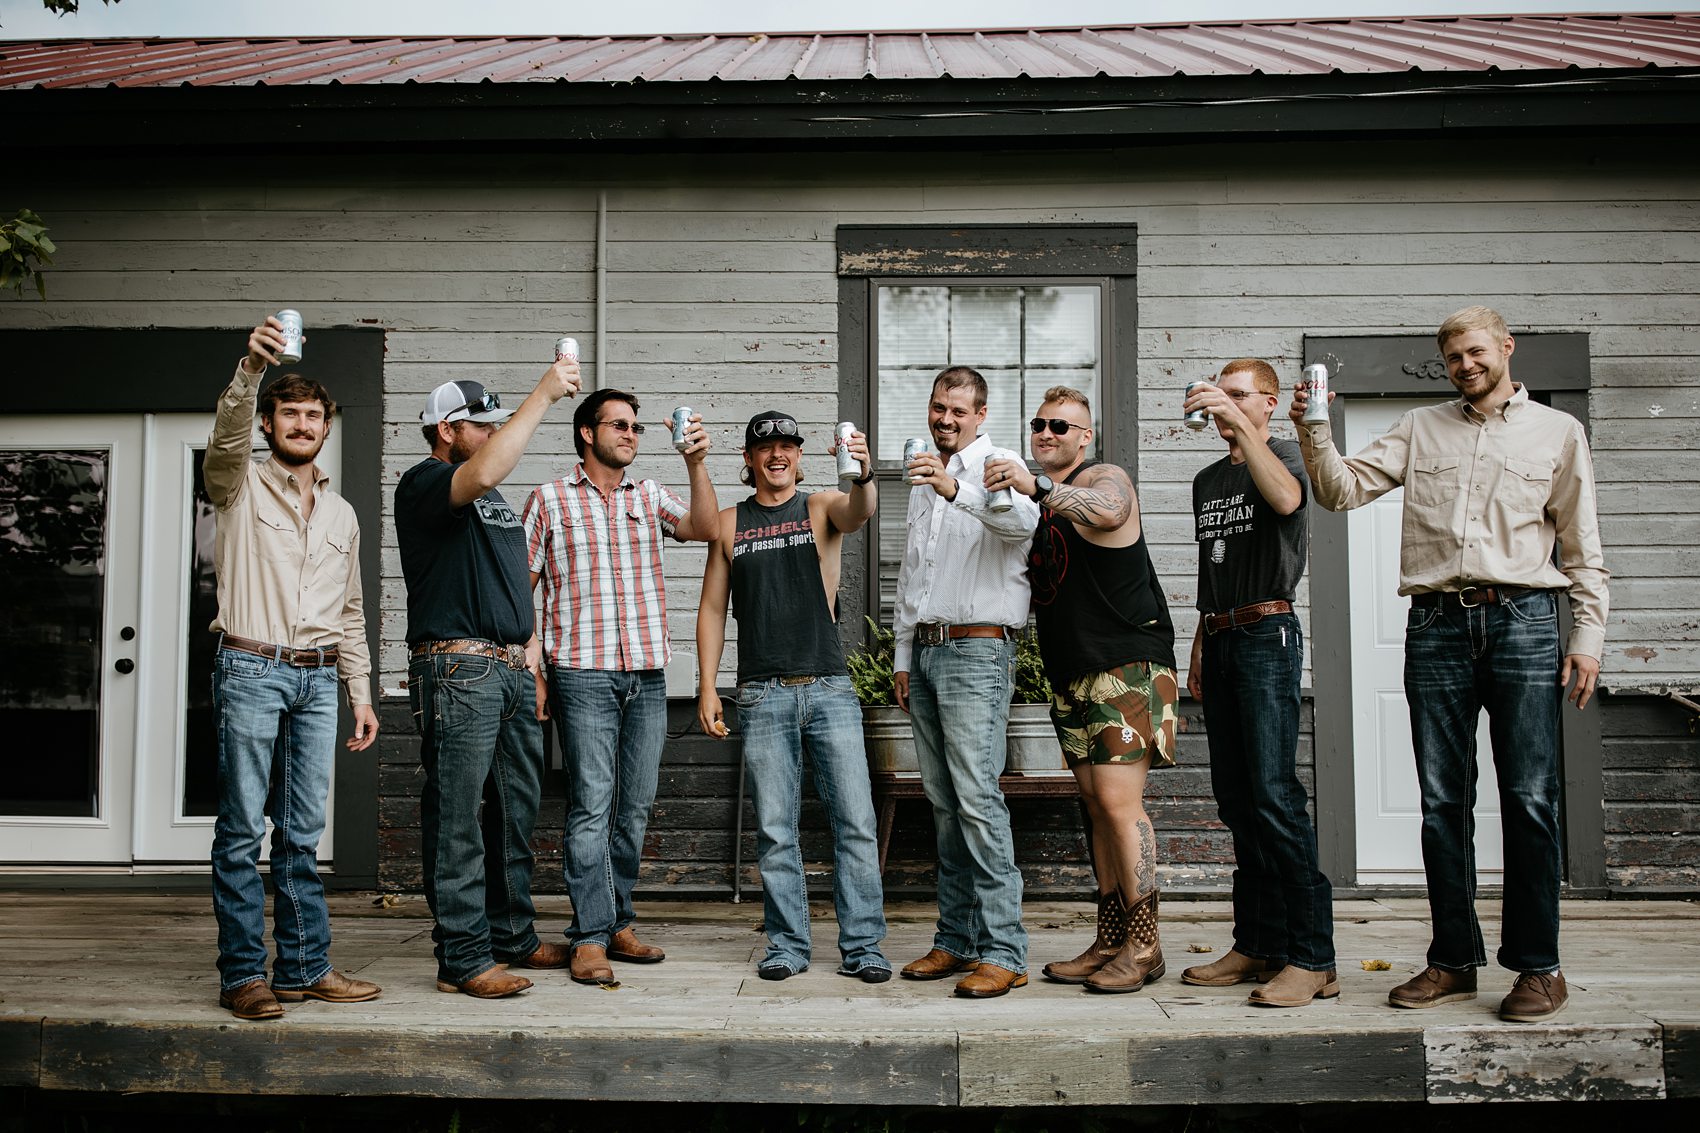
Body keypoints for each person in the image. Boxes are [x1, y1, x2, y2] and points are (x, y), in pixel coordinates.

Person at [1292, 306, 1609, 1023]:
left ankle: (1539, 967)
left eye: (1474, 352)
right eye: (1452, 358)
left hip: (1525, 621)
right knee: (1442, 803)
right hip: (1435, 624)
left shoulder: (1559, 433)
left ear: (1504, 347)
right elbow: (1341, 491)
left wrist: (1587, 636)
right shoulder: (1420, 428)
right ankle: (1453, 958)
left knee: (1530, 798)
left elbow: (1583, 542)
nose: (1464, 366)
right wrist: (1314, 427)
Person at [207, 316, 381, 1020]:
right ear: (271, 422)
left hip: (317, 679)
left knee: (303, 832)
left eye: (314, 414)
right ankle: (244, 974)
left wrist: (360, 691)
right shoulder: (238, 486)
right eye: (291, 413)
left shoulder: (340, 512)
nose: (303, 424)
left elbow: (352, 610)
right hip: (251, 667)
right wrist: (250, 372)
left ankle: (303, 969)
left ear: (326, 425)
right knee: (243, 829)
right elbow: (225, 438)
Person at [396, 363, 581, 999]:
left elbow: (512, 589)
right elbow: (485, 470)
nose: (495, 432)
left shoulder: (490, 501)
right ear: (447, 431)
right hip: (459, 670)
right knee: (458, 819)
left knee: (514, 812)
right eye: (483, 424)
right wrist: (545, 395)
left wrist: (529, 658)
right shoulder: (426, 482)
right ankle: (463, 959)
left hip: (506, 669)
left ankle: (511, 937)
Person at [523, 389, 718, 986]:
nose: (632, 434)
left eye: (636, 427)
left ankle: (617, 922)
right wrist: (533, 666)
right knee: (591, 806)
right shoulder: (550, 500)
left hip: (648, 676)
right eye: (620, 425)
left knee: (632, 807)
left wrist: (695, 460)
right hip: (581, 673)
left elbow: (707, 528)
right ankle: (587, 936)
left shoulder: (648, 493)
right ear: (587, 433)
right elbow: (519, 589)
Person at [992, 386, 1179, 995]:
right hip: (1073, 671)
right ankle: (1111, 937)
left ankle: (1145, 944)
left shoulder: (1104, 477)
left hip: (1127, 666)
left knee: (1122, 807)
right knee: (1096, 807)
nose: (1047, 434)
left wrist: (1037, 486)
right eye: (1039, 424)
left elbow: (1108, 511)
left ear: (1085, 435)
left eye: (1062, 426)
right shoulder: (1040, 506)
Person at [695, 411, 891, 983]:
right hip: (761, 693)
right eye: (766, 448)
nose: (777, 455)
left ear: (800, 456)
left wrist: (863, 473)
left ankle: (863, 946)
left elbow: (862, 512)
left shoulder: (822, 506)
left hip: (829, 688)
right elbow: (711, 609)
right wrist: (708, 686)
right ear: (749, 459)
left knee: (854, 821)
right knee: (776, 828)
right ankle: (787, 943)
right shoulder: (730, 522)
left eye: (787, 446)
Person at [1178, 360, 1337, 1007]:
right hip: (1218, 636)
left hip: (1267, 635)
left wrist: (1243, 429)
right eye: (1220, 395)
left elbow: (1287, 501)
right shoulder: (1207, 479)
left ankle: (1313, 956)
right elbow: (1210, 568)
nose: (1226, 405)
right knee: (1237, 800)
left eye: (1239, 395)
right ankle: (1258, 942)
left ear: (1268, 403)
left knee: (1274, 794)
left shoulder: (1286, 459)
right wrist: (1197, 642)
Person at [892, 367, 1039, 999]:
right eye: (937, 408)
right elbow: (912, 574)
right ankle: (955, 940)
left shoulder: (999, 465)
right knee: (945, 805)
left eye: (957, 410)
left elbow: (1021, 527)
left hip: (978, 653)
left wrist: (956, 489)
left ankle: (1004, 949)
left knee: (978, 801)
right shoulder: (926, 475)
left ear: (981, 414)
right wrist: (901, 655)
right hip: (926, 655)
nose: (945, 419)